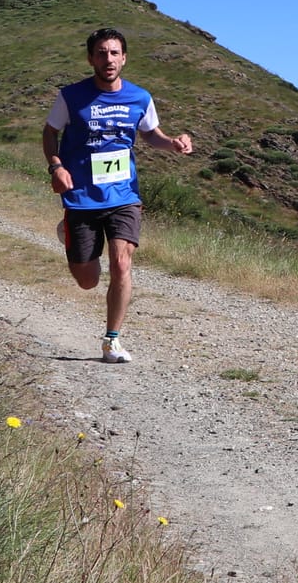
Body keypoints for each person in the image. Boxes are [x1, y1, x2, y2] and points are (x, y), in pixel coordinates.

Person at [42, 26, 193, 362]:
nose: (107, 59)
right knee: (87, 280)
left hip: (124, 194)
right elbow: (50, 132)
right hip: (81, 196)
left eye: (113, 53)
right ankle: (70, 235)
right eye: (101, 52)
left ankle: (112, 340)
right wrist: (56, 166)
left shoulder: (140, 97)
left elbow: (151, 134)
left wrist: (173, 143)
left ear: (123, 58)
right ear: (90, 58)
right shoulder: (71, 96)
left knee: (122, 264)